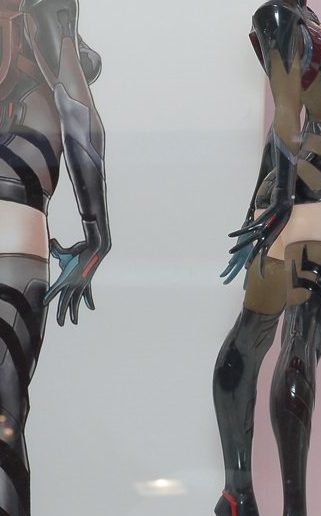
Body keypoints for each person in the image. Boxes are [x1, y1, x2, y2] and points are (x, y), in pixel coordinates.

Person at [213, 0, 321, 514]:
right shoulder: (277, 15)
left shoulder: (297, 17)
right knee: (302, 337)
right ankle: (292, 507)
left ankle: (237, 491)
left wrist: (265, 201)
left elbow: (286, 115)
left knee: (253, 328)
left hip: (288, 188)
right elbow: (285, 112)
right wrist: (278, 200)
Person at [0, 0, 110, 513]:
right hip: (13, 225)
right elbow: (76, 111)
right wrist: (96, 233)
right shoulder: (43, 7)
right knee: (3, 425)